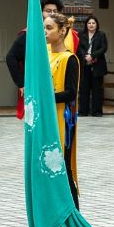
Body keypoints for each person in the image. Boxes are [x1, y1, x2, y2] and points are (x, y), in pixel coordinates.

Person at [6, 0, 80, 118]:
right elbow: (11, 57)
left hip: (60, 95)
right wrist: (22, 84)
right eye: (48, 11)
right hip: (43, 94)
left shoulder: (71, 41)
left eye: (54, 11)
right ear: (41, 13)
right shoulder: (31, 34)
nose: (51, 14)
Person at [45, 11, 81, 209]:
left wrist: (46, 97)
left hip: (63, 119)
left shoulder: (69, 59)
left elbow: (70, 94)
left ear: (62, 31)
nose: (45, 32)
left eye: (49, 28)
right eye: (44, 27)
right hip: (49, 117)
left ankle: (73, 214)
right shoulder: (46, 56)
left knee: (63, 167)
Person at [78, 15, 108, 117]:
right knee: (84, 89)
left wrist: (92, 56)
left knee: (97, 89)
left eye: (93, 23)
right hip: (84, 64)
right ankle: (83, 111)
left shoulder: (101, 35)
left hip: (97, 65)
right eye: (89, 23)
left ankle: (96, 111)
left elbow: (103, 48)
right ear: (86, 25)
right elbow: (79, 48)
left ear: (97, 25)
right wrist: (85, 57)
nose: (91, 25)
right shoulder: (81, 35)